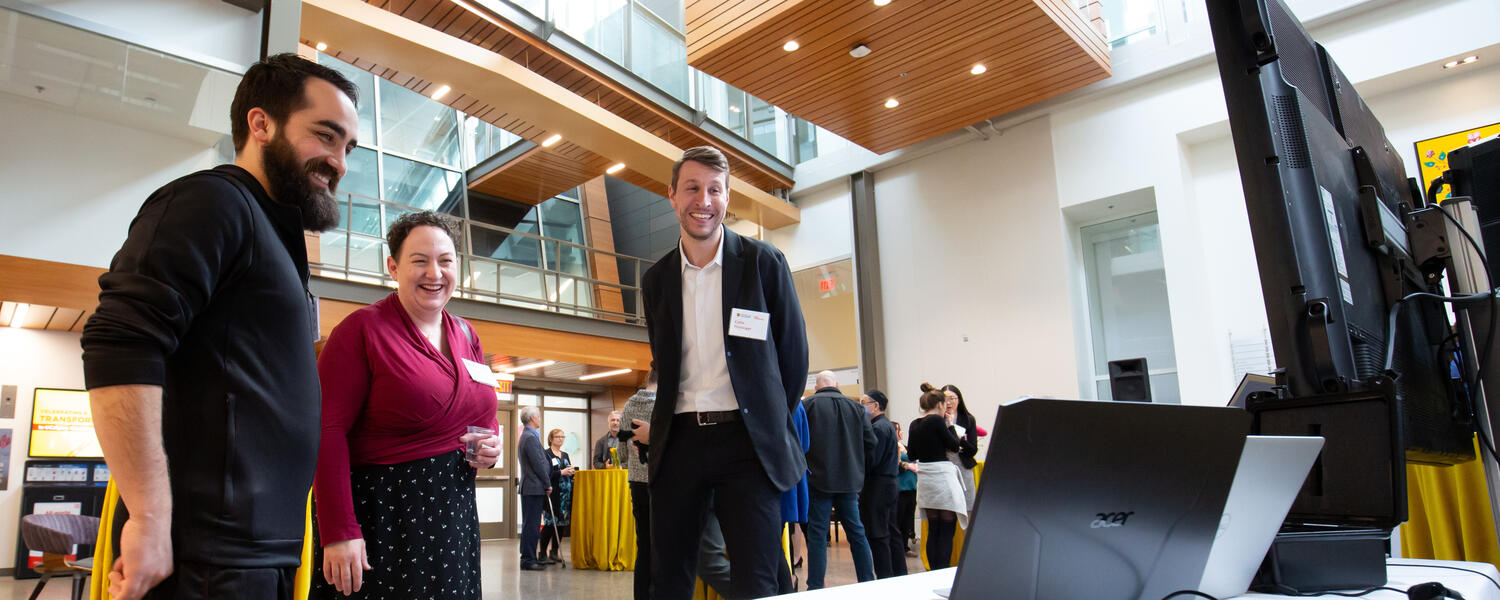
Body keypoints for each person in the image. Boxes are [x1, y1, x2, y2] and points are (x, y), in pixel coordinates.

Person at [80, 53, 359, 600]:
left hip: (259, 557)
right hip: (206, 558)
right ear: (261, 124)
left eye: (348, 147)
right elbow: (121, 342)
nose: (340, 162)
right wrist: (150, 517)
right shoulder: (210, 201)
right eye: (326, 136)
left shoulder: (277, 239)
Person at [640, 146, 809, 600]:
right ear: (672, 195)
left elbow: (793, 360)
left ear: (727, 197)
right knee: (669, 579)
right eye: (692, 188)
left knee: (756, 578)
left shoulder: (762, 263)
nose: (704, 200)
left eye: (715, 189)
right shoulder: (655, 280)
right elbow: (665, 362)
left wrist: (764, 416)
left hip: (747, 443)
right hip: (679, 442)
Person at [311, 212, 500, 598]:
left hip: (453, 517)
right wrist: (338, 529)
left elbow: (484, 417)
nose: (435, 272)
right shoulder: (361, 330)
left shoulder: (467, 333)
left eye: (445, 261)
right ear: (393, 266)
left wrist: (491, 447)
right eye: (420, 260)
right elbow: (326, 431)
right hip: (386, 517)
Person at [801, 370, 876, 589]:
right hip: (850, 480)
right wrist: (858, 466)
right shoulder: (857, 408)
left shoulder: (808, 407)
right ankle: (866, 581)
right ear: (836, 383)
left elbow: (798, 442)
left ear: (816, 386)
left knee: (816, 535)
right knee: (857, 532)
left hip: (818, 481)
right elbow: (870, 442)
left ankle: (815, 585)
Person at [909, 383, 967, 570]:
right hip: (941, 476)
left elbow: (911, 455)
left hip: (926, 478)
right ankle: (942, 570)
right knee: (947, 529)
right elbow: (954, 446)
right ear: (940, 405)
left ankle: (933, 571)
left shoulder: (914, 423)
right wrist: (950, 426)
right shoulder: (936, 421)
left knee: (934, 528)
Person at [859, 390, 907, 579]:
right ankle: (900, 572)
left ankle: (885, 575)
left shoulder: (878, 428)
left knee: (878, 534)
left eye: (864, 403)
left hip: (878, 485)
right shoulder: (887, 426)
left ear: (875, 405)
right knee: (891, 530)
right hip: (889, 483)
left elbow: (873, 460)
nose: (862, 407)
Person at [620, 372, 658, 600]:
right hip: (660, 480)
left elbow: (622, 451)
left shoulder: (628, 405)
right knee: (662, 545)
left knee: (643, 545)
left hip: (636, 481)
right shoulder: (664, 406)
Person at [778, 399, 811, 592]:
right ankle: (790, 578)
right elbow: (805, 443)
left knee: (773, 543)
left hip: (774, 477)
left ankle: (786, 585)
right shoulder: (797, 405)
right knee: (787, 531)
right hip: (793, 475)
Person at [517, 406, 552, 571]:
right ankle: (528, 560)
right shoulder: (530, 437)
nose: (540, 419)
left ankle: (527, 556)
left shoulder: (527, 435)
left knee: (529, 524)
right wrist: (547, 483)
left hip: (530, 487)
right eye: (538, 416)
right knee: (531, 525)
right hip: (533, 487)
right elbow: (538, 465)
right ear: (532, 418)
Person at [539, 428, 577, 564]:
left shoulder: (565, 455)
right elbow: (545, 474)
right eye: (557, 436)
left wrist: (571, 472)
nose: (560, 439)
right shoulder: (546, 454)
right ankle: (542, 552)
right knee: (550, 524)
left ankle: (554, 552)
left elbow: (568, 470)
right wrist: (561, 472)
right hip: (552, 494)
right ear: (551, 439)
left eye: (562, 436)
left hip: (565, 495)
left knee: (562, 524)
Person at [942, 384, 981, 513]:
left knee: (969, 507)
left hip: (963, 466)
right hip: (944, 468)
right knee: (947, 510)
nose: (948, 402)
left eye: (952, 398)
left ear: (959, 399)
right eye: (945, 398)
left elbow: (972, 449)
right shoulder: (937, 420)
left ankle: (968, 534)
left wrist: (960, 440)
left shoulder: (968, 419)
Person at [893, 421, 919, 557]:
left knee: (908, 519)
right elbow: (895, 464)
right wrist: (908, 466)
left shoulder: (906, 447)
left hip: (911, 487)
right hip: (900, 488)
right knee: (899, 518)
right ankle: (897, 548)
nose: (901, 432)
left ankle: (905, 546)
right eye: (898, 430)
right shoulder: (893, 447)